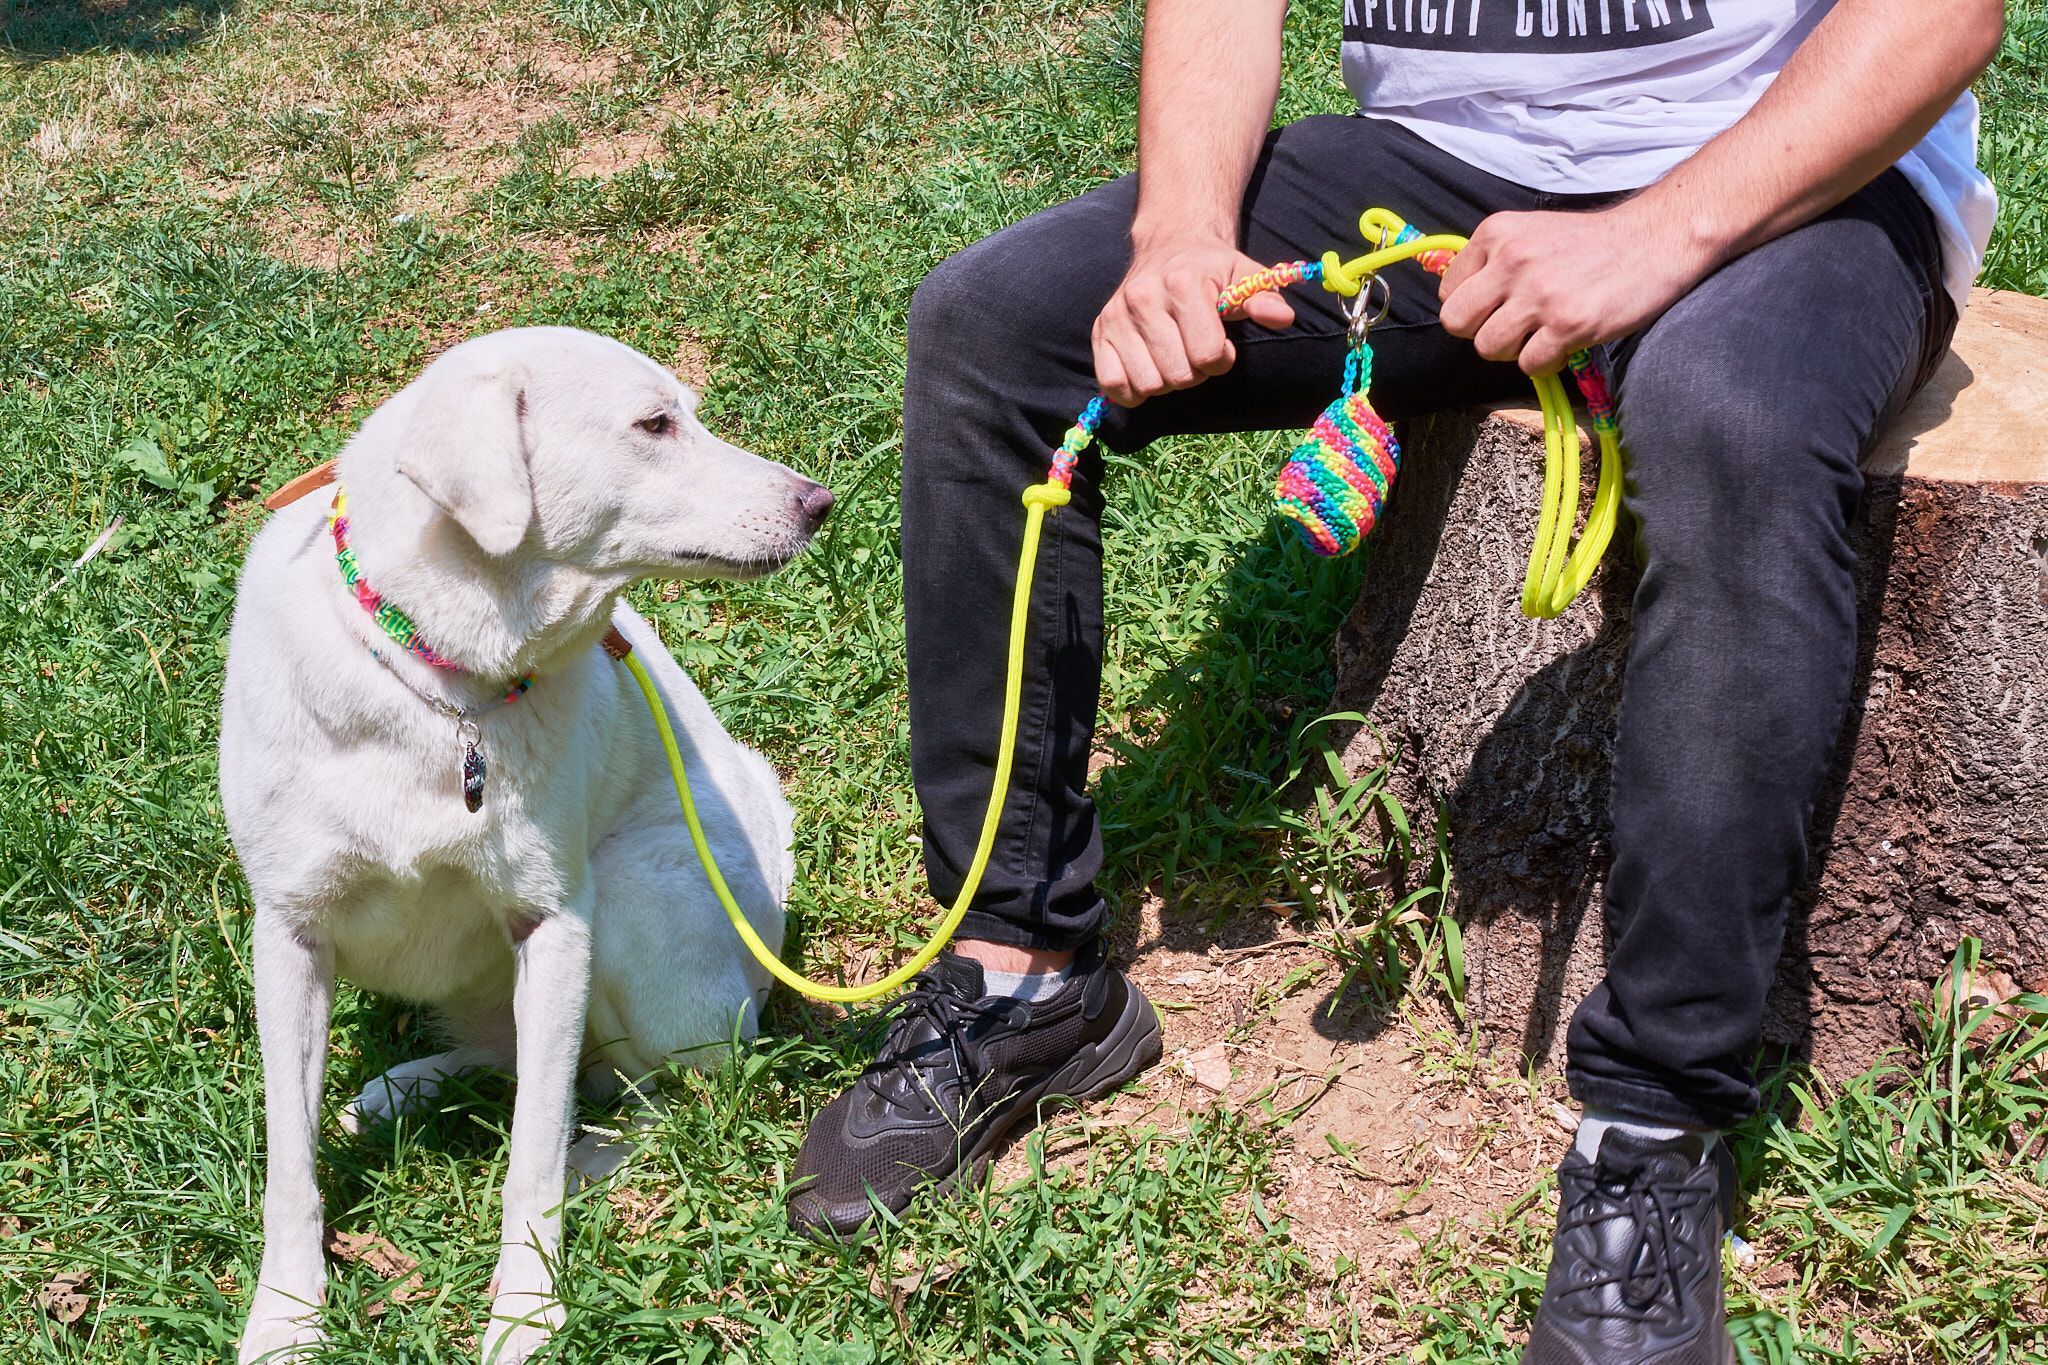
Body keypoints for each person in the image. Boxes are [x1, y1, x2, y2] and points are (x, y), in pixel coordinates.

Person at [790, 0, 2002, 1356]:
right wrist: (1184, 228)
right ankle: (1026, 978)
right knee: (995, 331)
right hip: (1439, 172)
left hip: (1793, 174)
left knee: (1730, 421)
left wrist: (1655, 237)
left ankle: (1652, 1138)